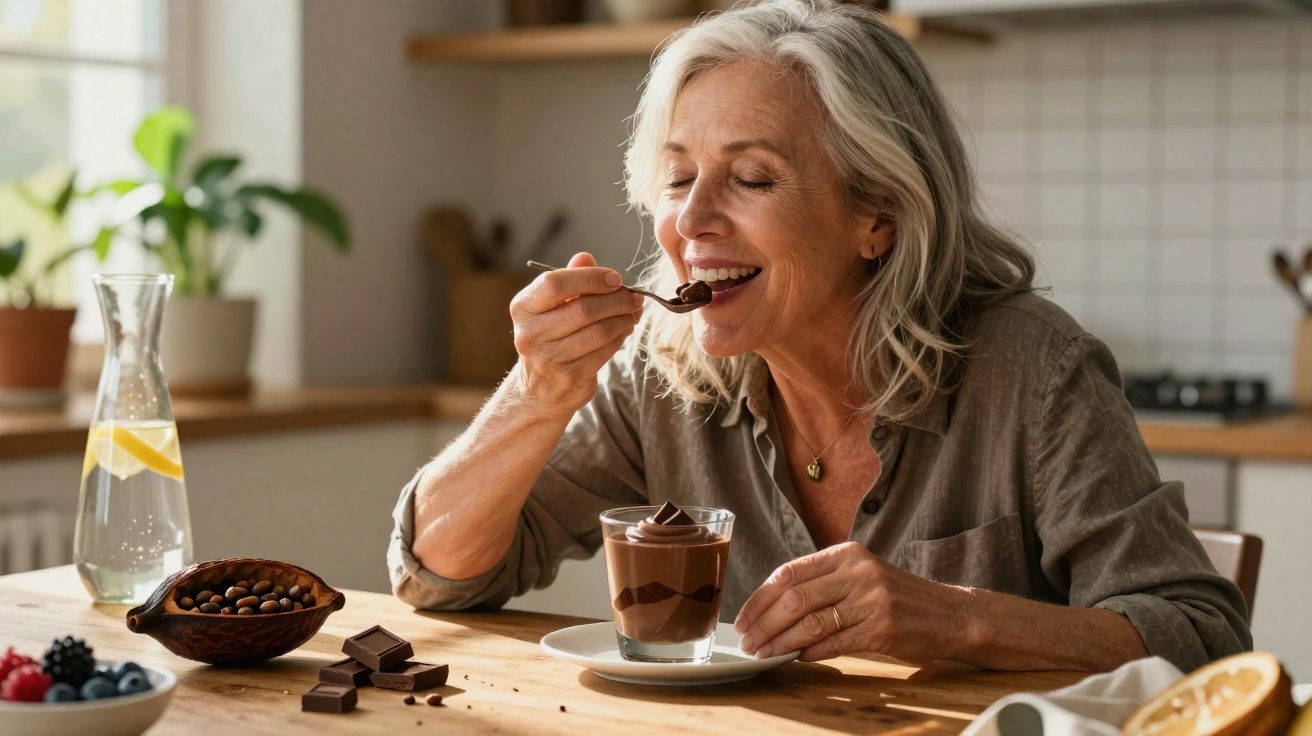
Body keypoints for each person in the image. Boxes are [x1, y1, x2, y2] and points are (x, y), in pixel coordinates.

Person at [388, 0, 1250, 673]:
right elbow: (440, 578)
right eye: (678, 176)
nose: (690, 220)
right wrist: (536, 395)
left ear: (875, 217)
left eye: (753, 178)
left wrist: (954, 618)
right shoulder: (659, 369)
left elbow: (1204, 641)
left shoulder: (1032, 369)